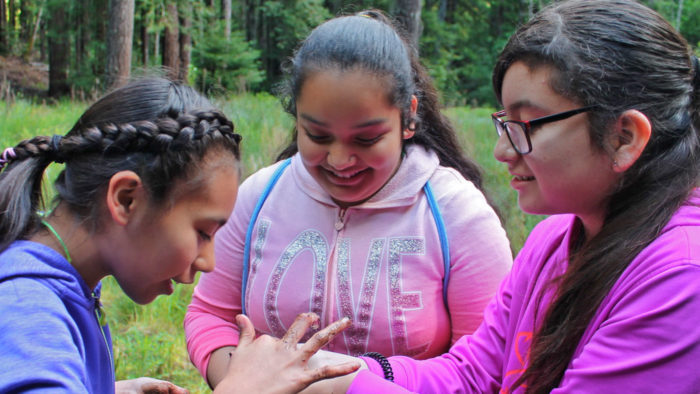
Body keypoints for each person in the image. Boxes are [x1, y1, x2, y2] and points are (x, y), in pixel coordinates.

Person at [298, 0, 700, 392]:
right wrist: (331, 369)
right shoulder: (555, 238)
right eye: (505, 123)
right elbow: (474, 375)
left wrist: (347, 388)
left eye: (527, 125)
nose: (502, 152)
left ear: (624, 137)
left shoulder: (681, 277)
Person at [184, 9, 513, 389]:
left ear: (408, 117)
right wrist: (250, 385)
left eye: (367, 139)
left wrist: (339, 386)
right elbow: (210, 315)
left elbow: (486, 368)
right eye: (318, 136)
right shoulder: (257, 198)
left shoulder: (458, 216)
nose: (340, 160)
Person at [0, 78, 359, 393]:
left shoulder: (58, 285)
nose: (209, 262)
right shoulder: (25, 308)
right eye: (203, 232)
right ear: (126, 199)